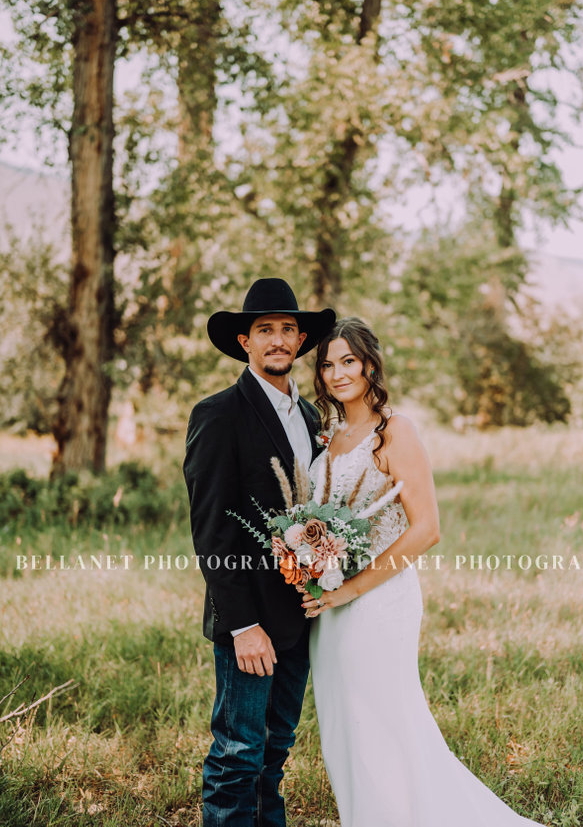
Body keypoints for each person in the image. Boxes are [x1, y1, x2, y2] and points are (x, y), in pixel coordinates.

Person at [301, 317, 544, 827]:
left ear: (370, 364)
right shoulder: (331, 436)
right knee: (347, 727)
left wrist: (352, 588)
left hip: (378, 603)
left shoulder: (395, 430)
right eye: (327, 364)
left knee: (386, 727)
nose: (337, 373)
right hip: (330, 605)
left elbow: (427, 529)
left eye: (348, 361)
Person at [183, 278, 335, 827]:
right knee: (237, 755)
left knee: (275, 755)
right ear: (245, 342)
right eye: (265, 330)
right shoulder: (218, 415)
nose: (278, 339)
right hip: (250, 624)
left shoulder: (316, 420)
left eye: (288, 329)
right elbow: (212, 531)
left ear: (300, 342)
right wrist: (243, 624)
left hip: (300, 614)